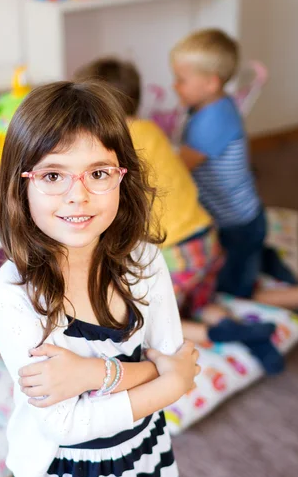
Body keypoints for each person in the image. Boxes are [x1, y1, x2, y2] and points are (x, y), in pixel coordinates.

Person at [0, 80, 196, 477]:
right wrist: (163, 381)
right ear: (19, 186)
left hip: (144, 455)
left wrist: (91, 375)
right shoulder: (13, 295)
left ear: (124, 175)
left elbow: (174, 358)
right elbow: (68, 424)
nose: (77, 196)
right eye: (53, 176)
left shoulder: (143, 261)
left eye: (98, 173)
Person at [74, 58, 283, 374]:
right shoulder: (151, 130)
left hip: (177, 251)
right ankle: (253, 338)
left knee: (145, 322)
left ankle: (215, 334)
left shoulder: (108, 147)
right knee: (200, 304)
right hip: (207, 238)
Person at [171, 29, 298, 314]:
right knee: (244, 256)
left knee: (231, 293)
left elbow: (176, 168)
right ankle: (269, 262)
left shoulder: (213, 120)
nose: (174, 86)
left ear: (210, 83)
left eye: (181, 80)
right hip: (240, 219)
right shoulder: (210, 105)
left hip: (237, 225)